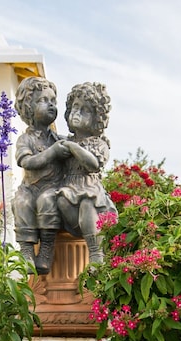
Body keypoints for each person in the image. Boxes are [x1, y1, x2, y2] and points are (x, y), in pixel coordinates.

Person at [11, 77, 71, 274]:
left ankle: (46, 247)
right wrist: (52, 152)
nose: (51, 105)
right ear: (29, 108)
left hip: (52, 187)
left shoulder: (59, 139)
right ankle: (27, 250)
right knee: (21, 202)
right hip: (29, 188)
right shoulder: (25, 139)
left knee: (47, 201)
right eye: (44, 100)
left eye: (53, 101)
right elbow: (27, 162)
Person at [56, 82, 115, 265]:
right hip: (68, 190)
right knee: (61, 200)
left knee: (87, 203)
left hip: (91, 190)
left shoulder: (99, 144)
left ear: (97, 118)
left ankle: (96, 252)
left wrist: (73, 147)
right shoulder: (62, 142)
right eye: (75, 107)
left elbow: (93, 164)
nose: (77, 113)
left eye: (85, 110)